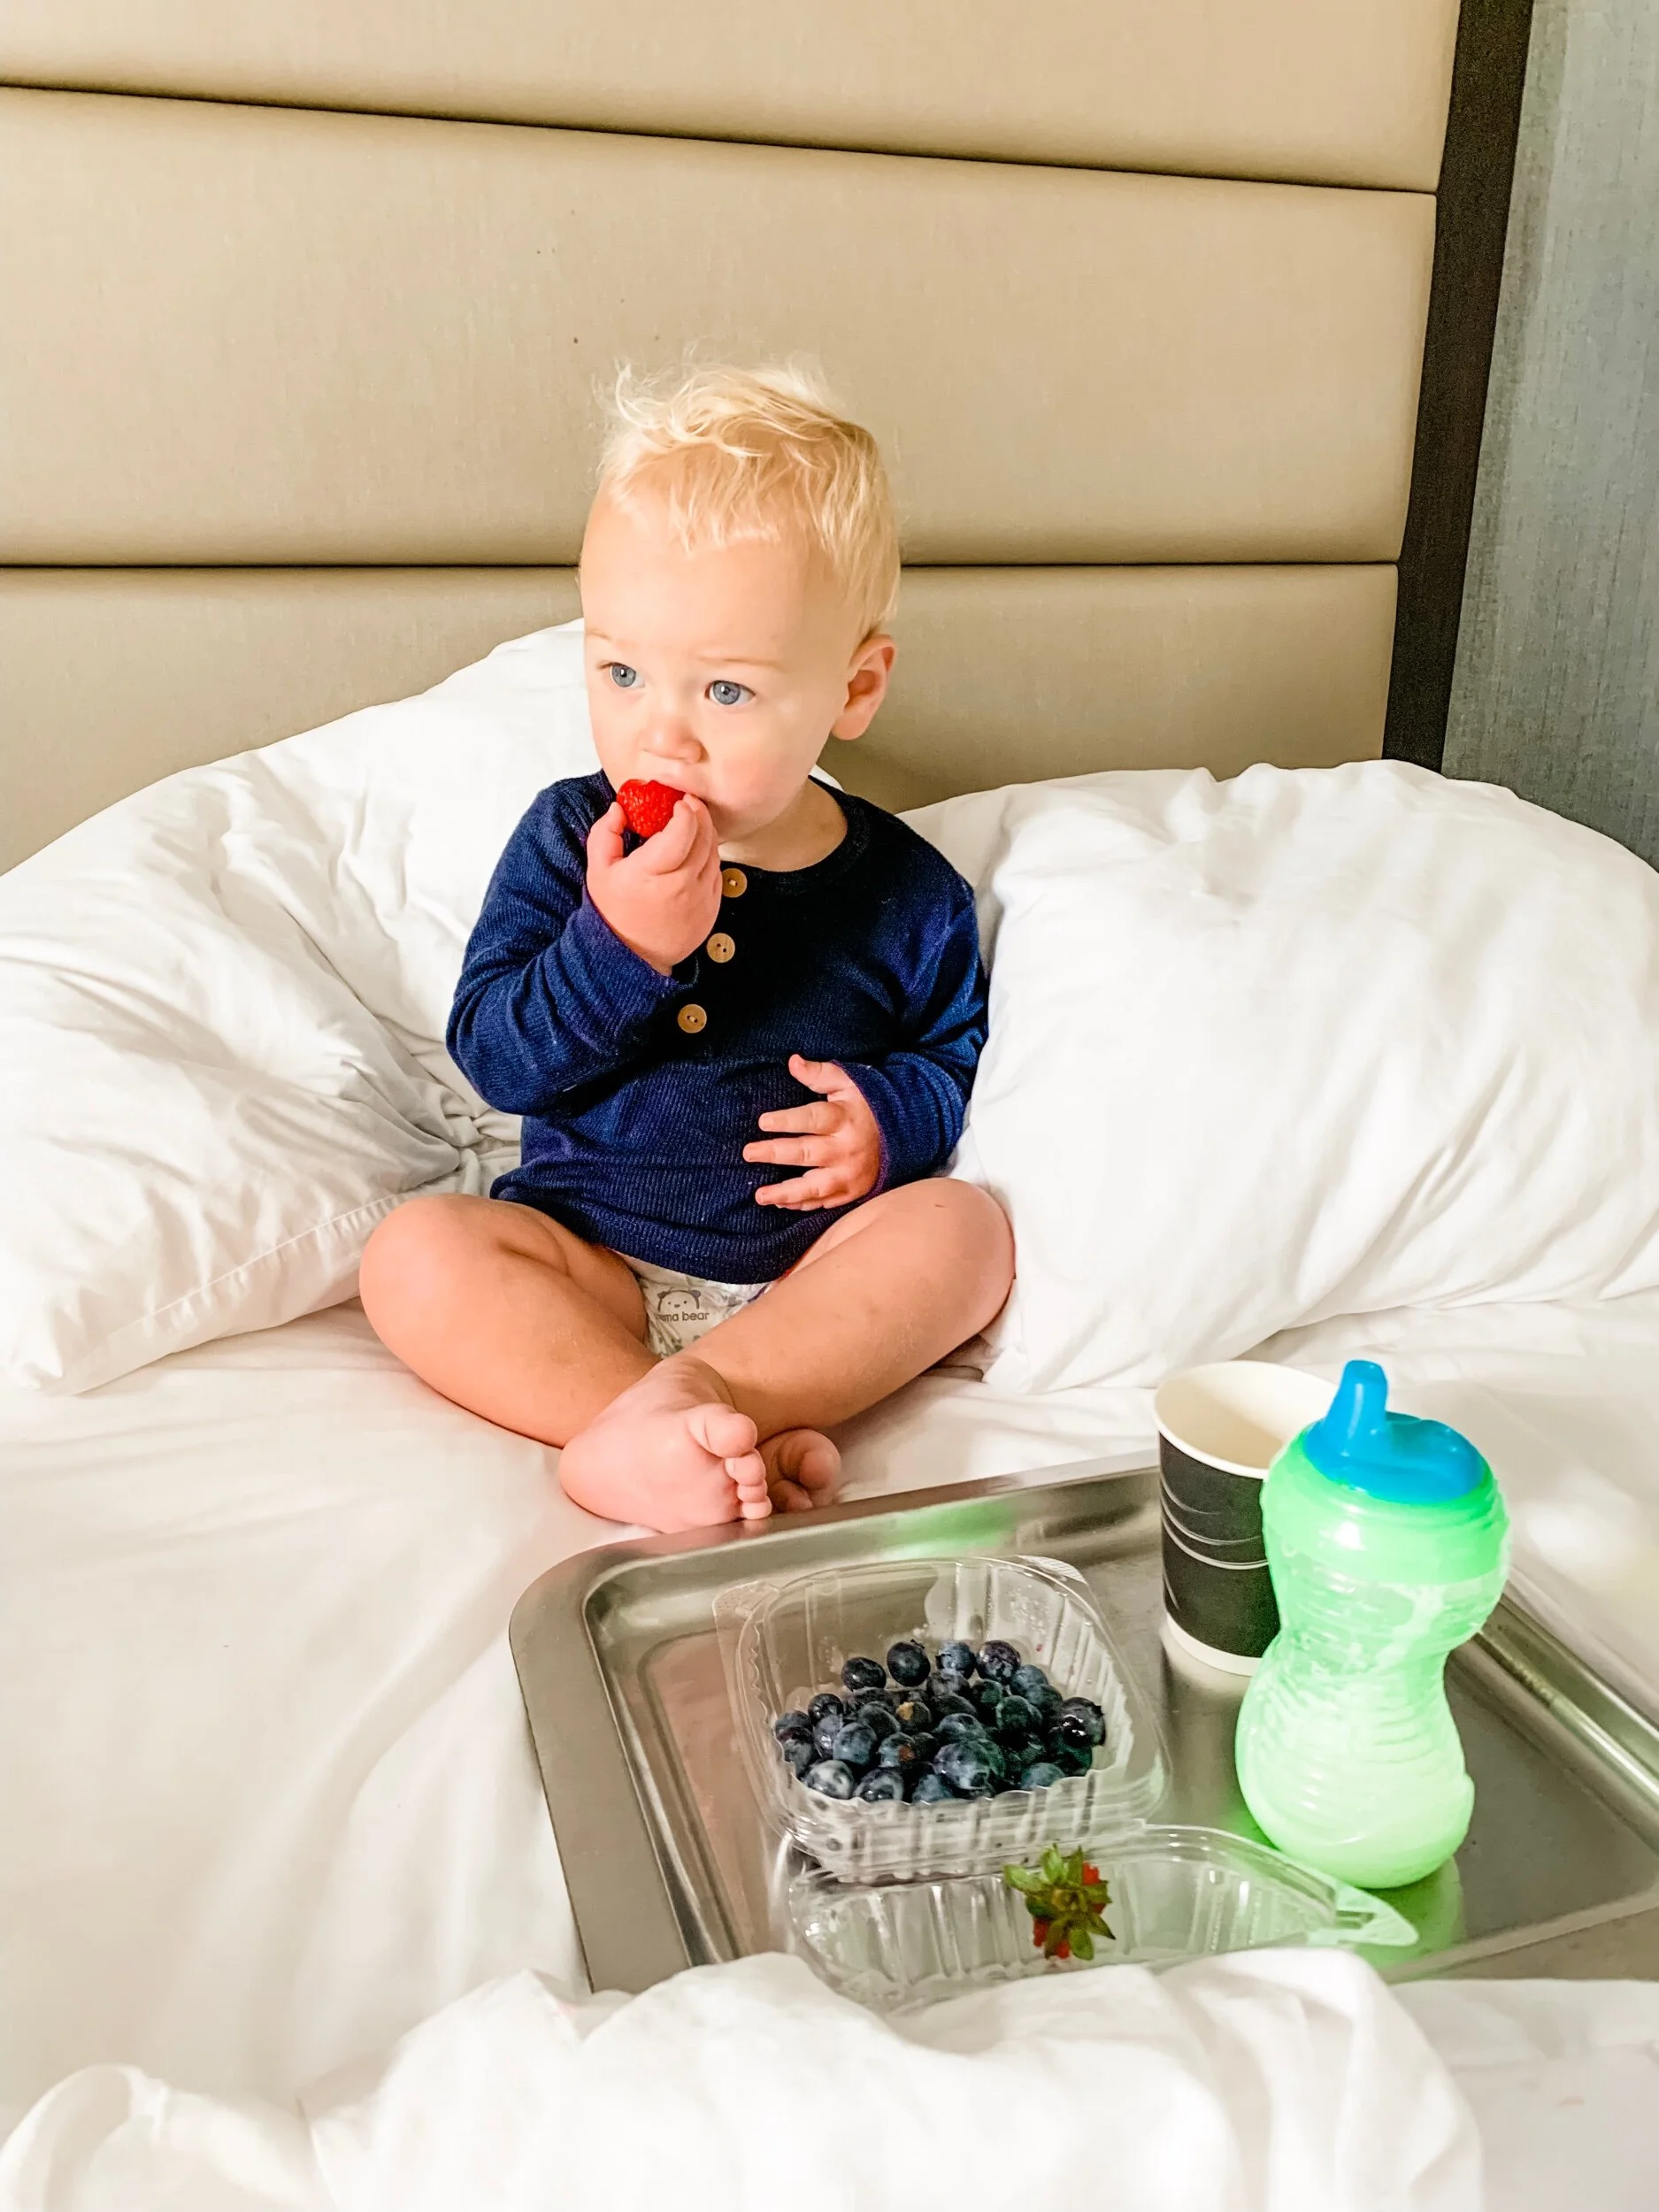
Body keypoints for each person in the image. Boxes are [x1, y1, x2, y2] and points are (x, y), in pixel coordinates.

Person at [359, 364, 1014, 1531]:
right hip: (589, 1261)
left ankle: (708, 1414)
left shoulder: (905, 890)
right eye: (619, 672)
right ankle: (671, 1427)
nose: (659, 732)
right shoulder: (575, 838)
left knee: (962, 1234)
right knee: (414, 1254)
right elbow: (497, 1059)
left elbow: (955, 1053)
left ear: (853, 688)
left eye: (723, 688)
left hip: (806, 1286)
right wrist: (615, 945)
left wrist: (888, 1115)